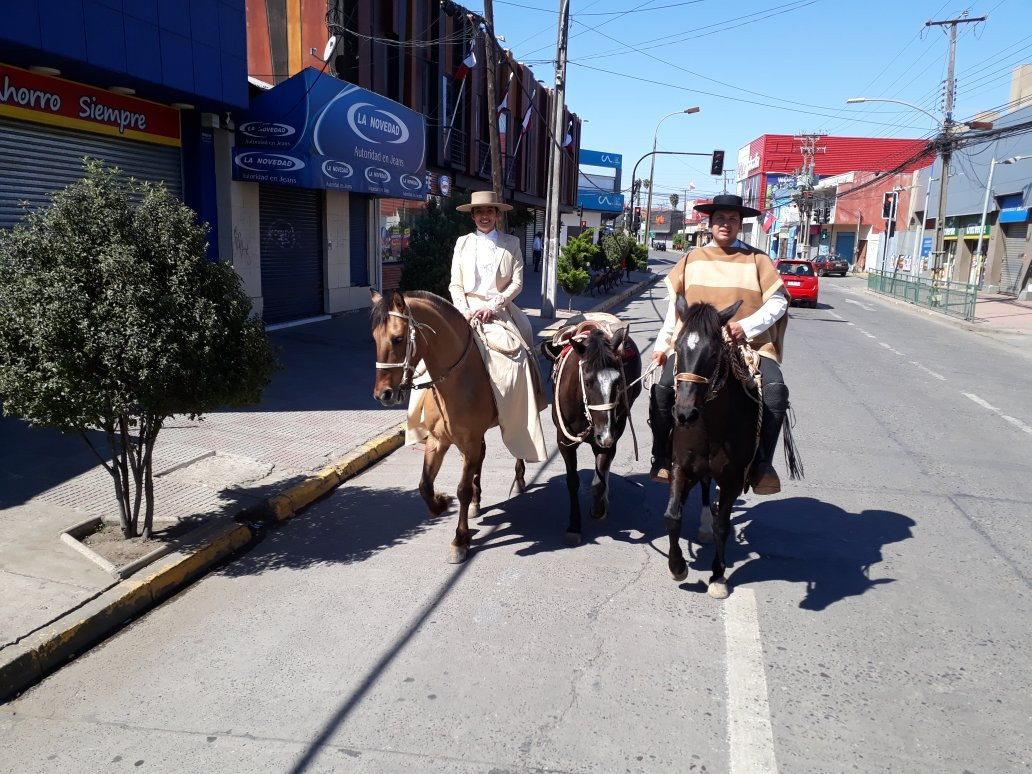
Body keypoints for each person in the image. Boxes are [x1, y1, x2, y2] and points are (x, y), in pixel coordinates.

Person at [648, 194, 790, 495]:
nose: (726, 224)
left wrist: (746, 326)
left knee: (776, 391)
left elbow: (777, 302)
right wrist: (663, 345)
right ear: (710, 223)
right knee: (661, 390)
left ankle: (762, 464)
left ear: (740, 224)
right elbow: (676, 310)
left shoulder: (758, 260)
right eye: (721, 219)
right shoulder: (692, 259)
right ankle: (661, 454)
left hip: (746, 345)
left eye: (733, 219)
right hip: (695, 346)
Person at [438, 189, 546, 461]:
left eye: (489, 211)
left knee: (518, 357)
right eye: (479, 212)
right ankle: (427, 421)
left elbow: (518, 282)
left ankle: (519, 420)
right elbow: (455, 283)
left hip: (498, 310)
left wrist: (493, 305)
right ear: (473, 216)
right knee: (431, 355)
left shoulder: (511, 243)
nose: (484, 216)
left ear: (497, 215)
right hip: (465, 310)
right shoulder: (462, 243)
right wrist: (465, 310)